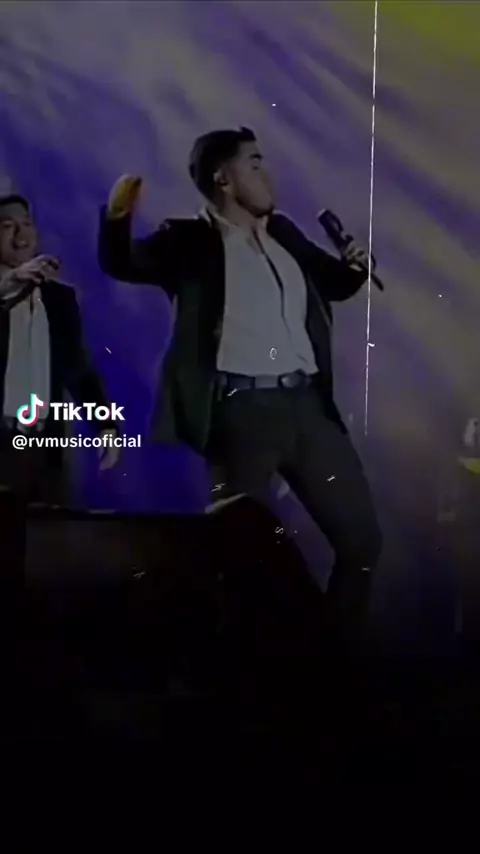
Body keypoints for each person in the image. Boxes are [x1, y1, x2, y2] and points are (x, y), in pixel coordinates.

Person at [98, 127, 382, 645]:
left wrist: (356, 269)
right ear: (223, 179)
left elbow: (332, 284)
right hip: (241, 412)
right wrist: (117, 217)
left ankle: (331, 663)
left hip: (307, 408)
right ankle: (241, 669)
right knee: (237, 552)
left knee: (362, 543)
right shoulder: (188, 240)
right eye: (254, 163)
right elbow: (123, 263)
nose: (266, 173)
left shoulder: (285, 233)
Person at [0, 193, 120, 581]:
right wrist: (9, 284)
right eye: (7, 226)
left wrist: (105, 424)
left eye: (27, 224)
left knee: (49, 557)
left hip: (44, 444)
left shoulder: (59, 298)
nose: (21, 235)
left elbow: (77, 370)